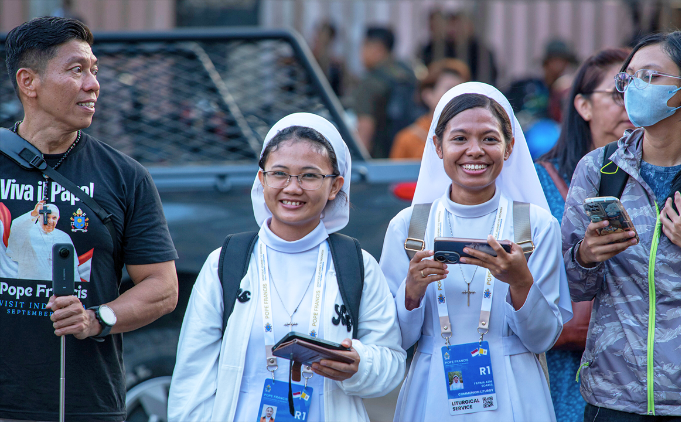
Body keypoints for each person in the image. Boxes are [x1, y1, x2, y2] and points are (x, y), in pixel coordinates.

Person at [561, 31, 681, 420]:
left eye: (649, 76)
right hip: (615, 397)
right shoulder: (599, 169)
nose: (633, 88)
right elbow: (571, 288)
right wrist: (585, 256)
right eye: (628, 77)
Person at [168, 113, 406, 422]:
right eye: (279, 173)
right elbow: (192, 377)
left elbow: (391, 363)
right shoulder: (226, 262)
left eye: (309, 176)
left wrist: (361, 364)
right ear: (261, 179)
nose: (292, 188)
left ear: (335, 186)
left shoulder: (357, 265)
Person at [0, 17, 178, 421]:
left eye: (94, 71)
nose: (93, 84)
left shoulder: (125, 176)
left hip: (84, 405)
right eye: (76, 70)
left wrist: (97, 318)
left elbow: (163, 287)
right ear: (29, 82)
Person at [380, 82, 573, 421]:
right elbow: (392, 339)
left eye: (489, 138)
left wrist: (521, 283)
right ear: (437, 146)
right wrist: (410, 294)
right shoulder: (409, 227)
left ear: (509, 147)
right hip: (432, 387)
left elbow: (542, 338)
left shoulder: (534, 226)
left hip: (515, 387)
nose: (475, 151)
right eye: (459, 139)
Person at [534, 48, 632, 422]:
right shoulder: (541, 181)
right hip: (564, 362)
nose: (628, 105)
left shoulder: (659, 178)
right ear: (583, 106)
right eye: (616, 94)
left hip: (641, 360)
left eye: (636, 92)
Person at [348, 26, 419, 158]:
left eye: (364, 46)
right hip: (409, 157)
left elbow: (364, 129)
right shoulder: (408, 73)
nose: (361, 53)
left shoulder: (371, 81)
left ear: (377, 48)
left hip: (380, 162)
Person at [390, 58, 470, 159]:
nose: (457, 96)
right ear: (428, 95)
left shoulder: (474, 134)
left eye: (461, 90)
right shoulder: (408, 139)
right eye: (449, 89)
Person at [6, 201, 81, 280]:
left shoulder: (64, 237)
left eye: (54, 218)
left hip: (54, 288)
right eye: (47, 217)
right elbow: (17, 227)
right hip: (30, 286)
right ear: (39, 216)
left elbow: (72, 268)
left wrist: (76, 287)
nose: (50, 221)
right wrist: (34, 213)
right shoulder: (27, 231)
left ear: (58, 219)